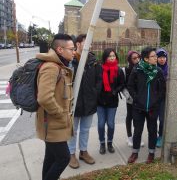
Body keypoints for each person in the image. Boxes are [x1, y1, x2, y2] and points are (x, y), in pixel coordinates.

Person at [36, 33, 75, 180]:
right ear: (60, 49)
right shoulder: (51, 67)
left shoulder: (59, 65)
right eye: (71, 49)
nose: (74, 51)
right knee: (64, 158)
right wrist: (60, 113)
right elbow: (44, 98)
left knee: (51, 157)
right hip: (52, 124)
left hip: (54, 124)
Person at [127, 47, 166, 164]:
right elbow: (130, 86)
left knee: (152, 131)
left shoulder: (158, 71)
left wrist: (156, 101)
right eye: (153, 56)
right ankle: (135, 152)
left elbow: (162, 89)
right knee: (137, 131)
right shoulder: (137, 70)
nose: (156, 58)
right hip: (138, 107)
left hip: (153, 108)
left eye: (156, 56)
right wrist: (137, 98)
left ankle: (151, 153)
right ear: (146, 59)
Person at [68, 34, 98, 169]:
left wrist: (94, 93)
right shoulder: (70, 60)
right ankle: (71, 154)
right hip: (74, 102)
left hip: (89, 101)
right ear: (78, 44)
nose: (89, 45)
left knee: (85, 129)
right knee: (72, 130)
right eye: (86, 42)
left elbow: (99, 80)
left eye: (90, 42)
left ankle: (83, 152)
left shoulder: (93, 60)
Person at [96, 48, 125, 155]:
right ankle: (102, 143)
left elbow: (122, 84)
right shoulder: (99, 69)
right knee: (100, 124)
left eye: (113, 56)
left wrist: (115, 91)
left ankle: (109, 143)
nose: (112, 58)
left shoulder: (119, 70)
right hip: (100, 101)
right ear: (105, 57)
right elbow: (96, 83)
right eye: (109, 56)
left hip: (112, 101)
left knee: (111, 124)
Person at [124, 50, 144, 147]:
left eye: (138, 57)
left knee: (138, 119)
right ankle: (129, 137)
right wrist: (128, 96)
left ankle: (137, 137)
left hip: (140, 98)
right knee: (130, 117)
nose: (137, 60)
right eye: (134, 58)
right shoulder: (127, 70)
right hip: (130, 99)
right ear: (130, 60)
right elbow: (124, 85)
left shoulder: (142, 68)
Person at [155, 48, 168, 148]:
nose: (162, 59)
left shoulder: (169, 69)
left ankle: (160, 136)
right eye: (160, 57)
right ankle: (153, 135)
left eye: (164, 57)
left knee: (162, 119)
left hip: (164, 98)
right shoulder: (153, 68)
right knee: (153, 118)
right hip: (154, 98)